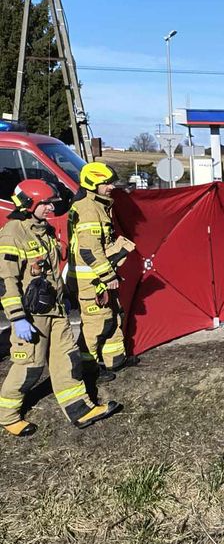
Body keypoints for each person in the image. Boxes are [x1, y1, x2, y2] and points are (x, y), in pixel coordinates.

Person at [0, 179, 121, 436]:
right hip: (31, 316)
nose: (50, 208)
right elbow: (6, 281)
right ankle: (7, 415)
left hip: (55, 312)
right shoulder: (12, 234)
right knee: (29, 366)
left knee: (67, 359)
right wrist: (18, 318)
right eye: (43, 204)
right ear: (28, 205)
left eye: (50, 203)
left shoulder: (44, 231)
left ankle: (79, 409)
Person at [68, 162, 136, 380]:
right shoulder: (88, 209)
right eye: (105, 184)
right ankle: (88, 370)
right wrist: (108, 276)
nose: (110, 188)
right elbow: (89, 249)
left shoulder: (97, 204)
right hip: (92, 279)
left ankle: (115, 361)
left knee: (113, 317)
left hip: (100, 276)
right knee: (96, 325)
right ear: (92, 183)